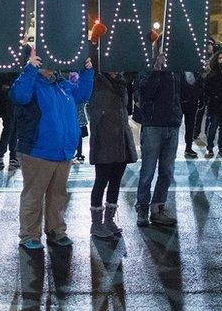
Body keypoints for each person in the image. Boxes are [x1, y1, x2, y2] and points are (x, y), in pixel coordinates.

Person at [10, 45, 94, 249]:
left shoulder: (62, 84)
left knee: (58, 195)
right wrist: (30, 69)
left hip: (62, 152)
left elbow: (83, 95)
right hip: (38, 150)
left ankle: (56, 230)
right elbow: (19, 96)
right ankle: (29, 235)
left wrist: (87, 72)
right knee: (34, 195)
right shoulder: (30, 82)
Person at [87, 69, 137, 238]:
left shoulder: (122, 81)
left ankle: (109, 220)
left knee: (115, 181)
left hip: (121, 138)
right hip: (104, 139)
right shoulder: (97, 79)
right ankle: (96, 224)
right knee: (101, 181)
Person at [135, 51, 182, 227]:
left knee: (167, 171)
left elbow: (186, 92)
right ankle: (142, 208)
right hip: (153, 124)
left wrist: (198, 77)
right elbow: (145, 93)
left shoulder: (176, 68)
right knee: (148, 170)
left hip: (172, 123)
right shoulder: (147, 67)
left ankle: (158, 208)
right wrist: (156, 70)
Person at [179, 70, 206, 158]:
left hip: (192, 103)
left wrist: (201, 99)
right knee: (175, 127)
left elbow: (200, 87)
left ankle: (188, 147)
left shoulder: (196, 72)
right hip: (180, 102)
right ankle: (172, 148)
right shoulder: (178, 72)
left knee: (190, 126)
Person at [73, 98, 89, 163]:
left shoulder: (74, 98)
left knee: (77, 137)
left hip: (75, 120)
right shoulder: (82, 98)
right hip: (80, 119)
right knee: (79, 137)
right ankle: (79, 152)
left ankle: (78, 153)